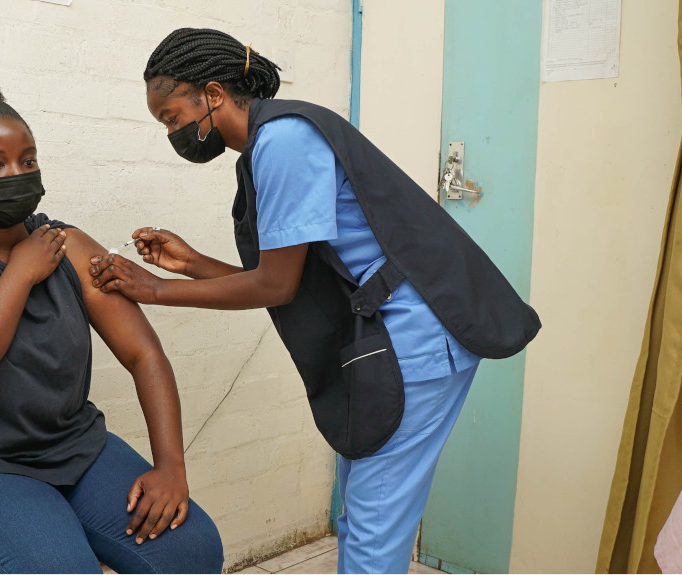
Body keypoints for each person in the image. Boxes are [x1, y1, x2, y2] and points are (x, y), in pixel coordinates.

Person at [87, 28, 541, 574]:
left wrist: (156, 290)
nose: (173, 131)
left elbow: (274, 287)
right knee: (361, 519)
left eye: (170, 116)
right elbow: (288, 278)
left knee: (374, 533)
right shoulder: (269, 143)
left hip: (415, 338)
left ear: (211, 94)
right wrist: (190, 265)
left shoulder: (283, 140)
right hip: (387, 334)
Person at [0, 78, 223, 574]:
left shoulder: (71, 246)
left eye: (29, 160)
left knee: (191, 551)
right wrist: (21, 271)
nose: (16, 174)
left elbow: (143, 354)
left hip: (76, 450)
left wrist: (171, 466)